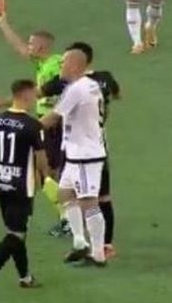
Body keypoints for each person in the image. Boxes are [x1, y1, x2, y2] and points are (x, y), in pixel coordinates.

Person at [0, 0, 70, 236]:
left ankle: (69, 219)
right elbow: (20, 49)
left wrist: (0, 104)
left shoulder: (54, 66)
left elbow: (41, 93)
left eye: (32, 43)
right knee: (48, 175)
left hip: (54, 124)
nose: (28, 46)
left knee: (45, 174)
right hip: (50, 123)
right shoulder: (45, 61)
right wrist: (2, 23)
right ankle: (68, 217)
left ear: (42, 47)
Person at [41, 42, 120, 259]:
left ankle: (98, 254)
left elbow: (52, 118)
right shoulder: (89, 85)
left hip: (85, 155)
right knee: (65, 193)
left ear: (75, 65)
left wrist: (25, 129)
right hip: (76, 151)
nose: (60, 66)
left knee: (90, 203)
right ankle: (79, 242)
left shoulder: (77, 89)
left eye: (64, 62)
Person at [0, 80, 49, 294]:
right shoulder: (33, 125)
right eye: (34, 94)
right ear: (25, 95)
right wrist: (46, 178)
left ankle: (25, 278)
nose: (36, 98)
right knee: (15, 235)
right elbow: (41, 157)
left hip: (1, 183)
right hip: (22, 186)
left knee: (16, 232)